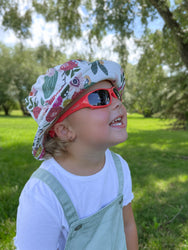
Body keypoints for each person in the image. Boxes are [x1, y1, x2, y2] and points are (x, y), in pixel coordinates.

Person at [14, 60, 138, 250]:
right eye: (100, 98)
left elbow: (127, 226)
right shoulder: (43, 194)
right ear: (64, 130)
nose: (118, 103)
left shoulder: (119, 167)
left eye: (116, 94)